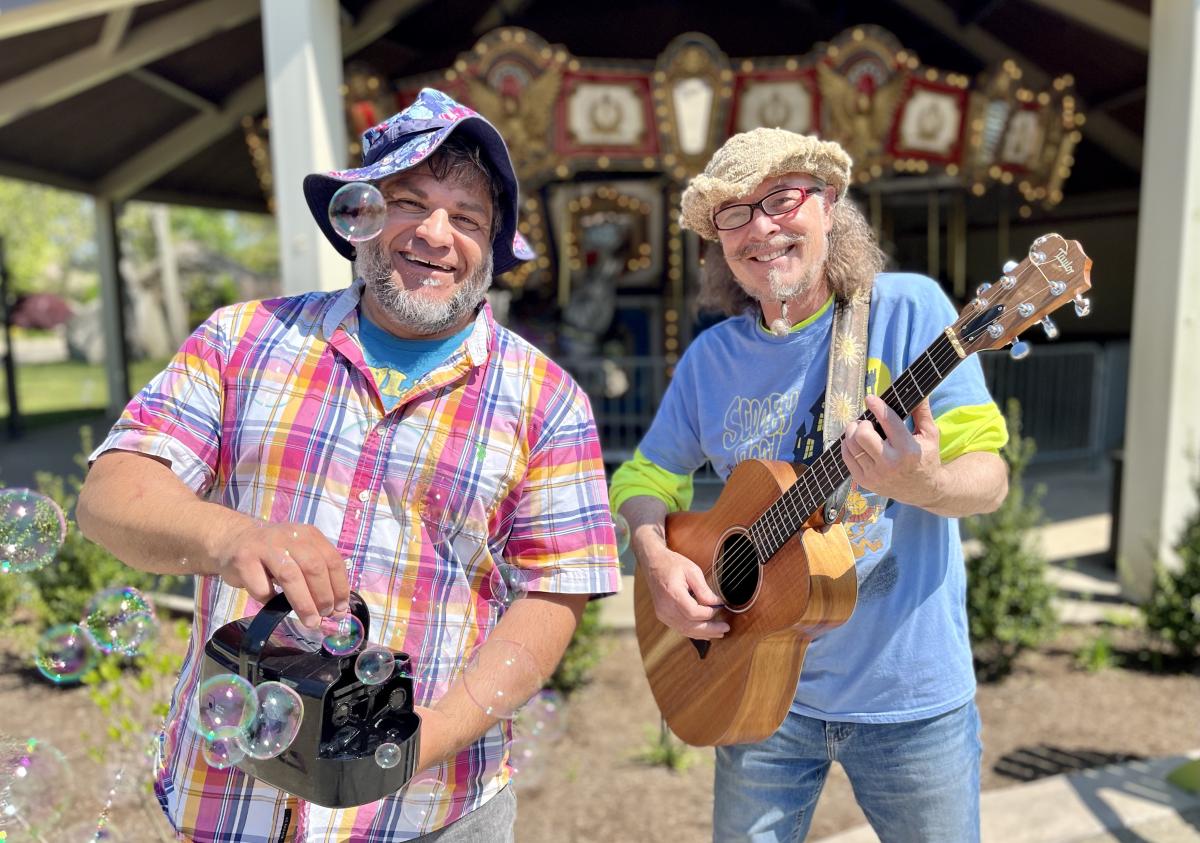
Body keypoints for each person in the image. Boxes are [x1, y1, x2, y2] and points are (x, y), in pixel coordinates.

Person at [76, 87, 620, 843]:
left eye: (466, 217)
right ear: (358, 213)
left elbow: (555, 592)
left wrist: (422, 737)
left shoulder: (549, 401)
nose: (435, 233)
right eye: (408, 201)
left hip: (432, 812)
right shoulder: (242, 339)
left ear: (491, 249)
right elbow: (109, 492)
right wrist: (232, 536)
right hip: (229, 801)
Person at [610, 127, 1009, 843]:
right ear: (720, 242)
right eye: (735, 212)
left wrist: (922, 480)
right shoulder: (711, 358)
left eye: (782, 198)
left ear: (828, 204)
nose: (761, 227)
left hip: (910, 702)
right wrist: (657, 556)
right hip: (758, 691)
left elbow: (990, 480)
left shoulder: (909, 311)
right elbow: (645, 477)